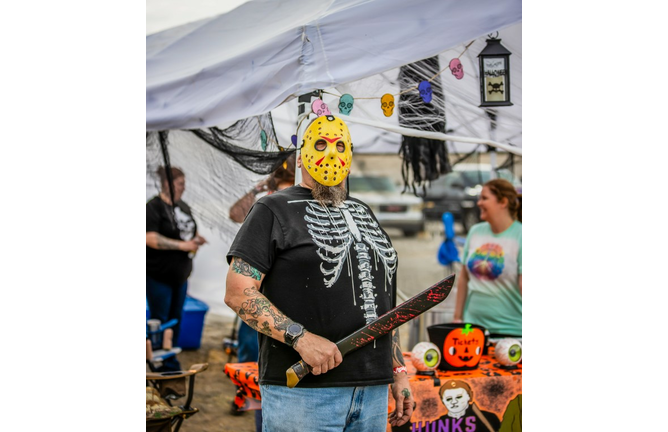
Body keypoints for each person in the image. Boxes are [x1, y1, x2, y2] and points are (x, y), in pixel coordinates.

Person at [225, 114, 414, 431]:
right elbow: (238, 292)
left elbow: (380, 305)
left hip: (372, 391)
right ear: (302, 156)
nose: (331, 154)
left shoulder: (362, 211)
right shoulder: (272, 209)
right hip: (305, 393)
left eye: (340, 145)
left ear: (351, 157)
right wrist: (301, 339)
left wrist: (397, 370)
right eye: (321, 144)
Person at [228, 153, 296, 431]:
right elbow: (234, 213)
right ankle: (250, 402)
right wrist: (258, 188)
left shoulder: (307, 197)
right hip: (258, 295)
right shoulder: (266, 199)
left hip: (290, 299)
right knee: (253, 357)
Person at [146, 166, 207, 371]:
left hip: (180, 276)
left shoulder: (183, 206)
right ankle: (158, 363)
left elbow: (187, 232)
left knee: (175, 320)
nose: (184, 187)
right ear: (168, 184)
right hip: (158, 276)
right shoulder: (153, 207)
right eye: (180, 183)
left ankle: (170, 360)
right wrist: (183, 246)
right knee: (159, 321)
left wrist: (195, 240)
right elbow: (149, 238)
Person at [453, 178, 521, 337]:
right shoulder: (475, 231)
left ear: (503, 202)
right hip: (473, 329)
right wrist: (457, 318)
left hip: (512, 331)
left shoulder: (521, 235)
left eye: (484, 198)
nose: (479, 203)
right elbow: (463, 278)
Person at [435, 380, 500, 432]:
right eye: (449, 399)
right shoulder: (436, 425)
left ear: (469, 396)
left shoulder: (489, 418)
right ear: (443, 401)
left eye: (459, 397)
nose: (454, 402)